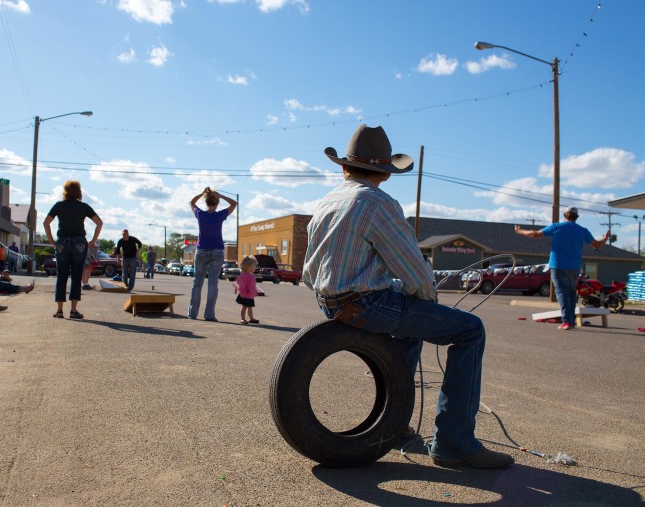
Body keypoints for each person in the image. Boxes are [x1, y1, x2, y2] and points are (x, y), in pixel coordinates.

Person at [303, 124, 514, 469]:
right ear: (385, 174)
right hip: (369, 303)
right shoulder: (378, 203)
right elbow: (413, 269)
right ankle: (453, 443)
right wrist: (426, 298)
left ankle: (394, 421)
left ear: (344, 167)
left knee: (409, 323)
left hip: (329, 301)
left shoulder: (328, 201)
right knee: (470, 330)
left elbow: (310, 268)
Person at [515, 206, 610, 330]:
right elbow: (597, 245)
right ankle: (570, 320)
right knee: (571, 293)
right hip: (575, 267)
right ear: (577, 217)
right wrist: (605, 237)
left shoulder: (556, 227)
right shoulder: (583, 231)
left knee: (561, 293)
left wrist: (520, 231)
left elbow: (534, 234)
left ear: (565, 215)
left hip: (558, 265)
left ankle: (567, 321)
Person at [43, 179, 103, 319]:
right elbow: (99, 222)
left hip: (62, 243)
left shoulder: (59, 205)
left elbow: (46, 222)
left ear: (65, 191)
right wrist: (93, 241)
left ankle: (59, 311)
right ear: (79, 192)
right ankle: (74, 310)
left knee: (61, 276)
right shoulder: (83, 207)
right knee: (76, 276)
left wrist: (52, 241)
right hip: (79, 243)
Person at [187, 187, 237, 321]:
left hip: (201, 250)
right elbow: (234, 204)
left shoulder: (200, 214)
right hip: (216, 251)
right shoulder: (220, 215)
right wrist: (221, 195)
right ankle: (209, 315)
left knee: (197, 283)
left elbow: (192, 203)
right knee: (213, 284)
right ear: (217, 203)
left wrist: (202, 193)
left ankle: (193, 313)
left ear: (206, 202)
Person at [235, 255, 259, 325]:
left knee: (250, 307)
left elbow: (253, 286)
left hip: (250, 296)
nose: (255, 268)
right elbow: (242, 286)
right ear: (249, 266)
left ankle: (251, 318)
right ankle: (242, 318)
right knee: (244, 307)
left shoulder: (251, 275)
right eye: (254, 266)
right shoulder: (244, 276)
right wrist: (243, 293)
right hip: (245, 295)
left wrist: (255, 291)